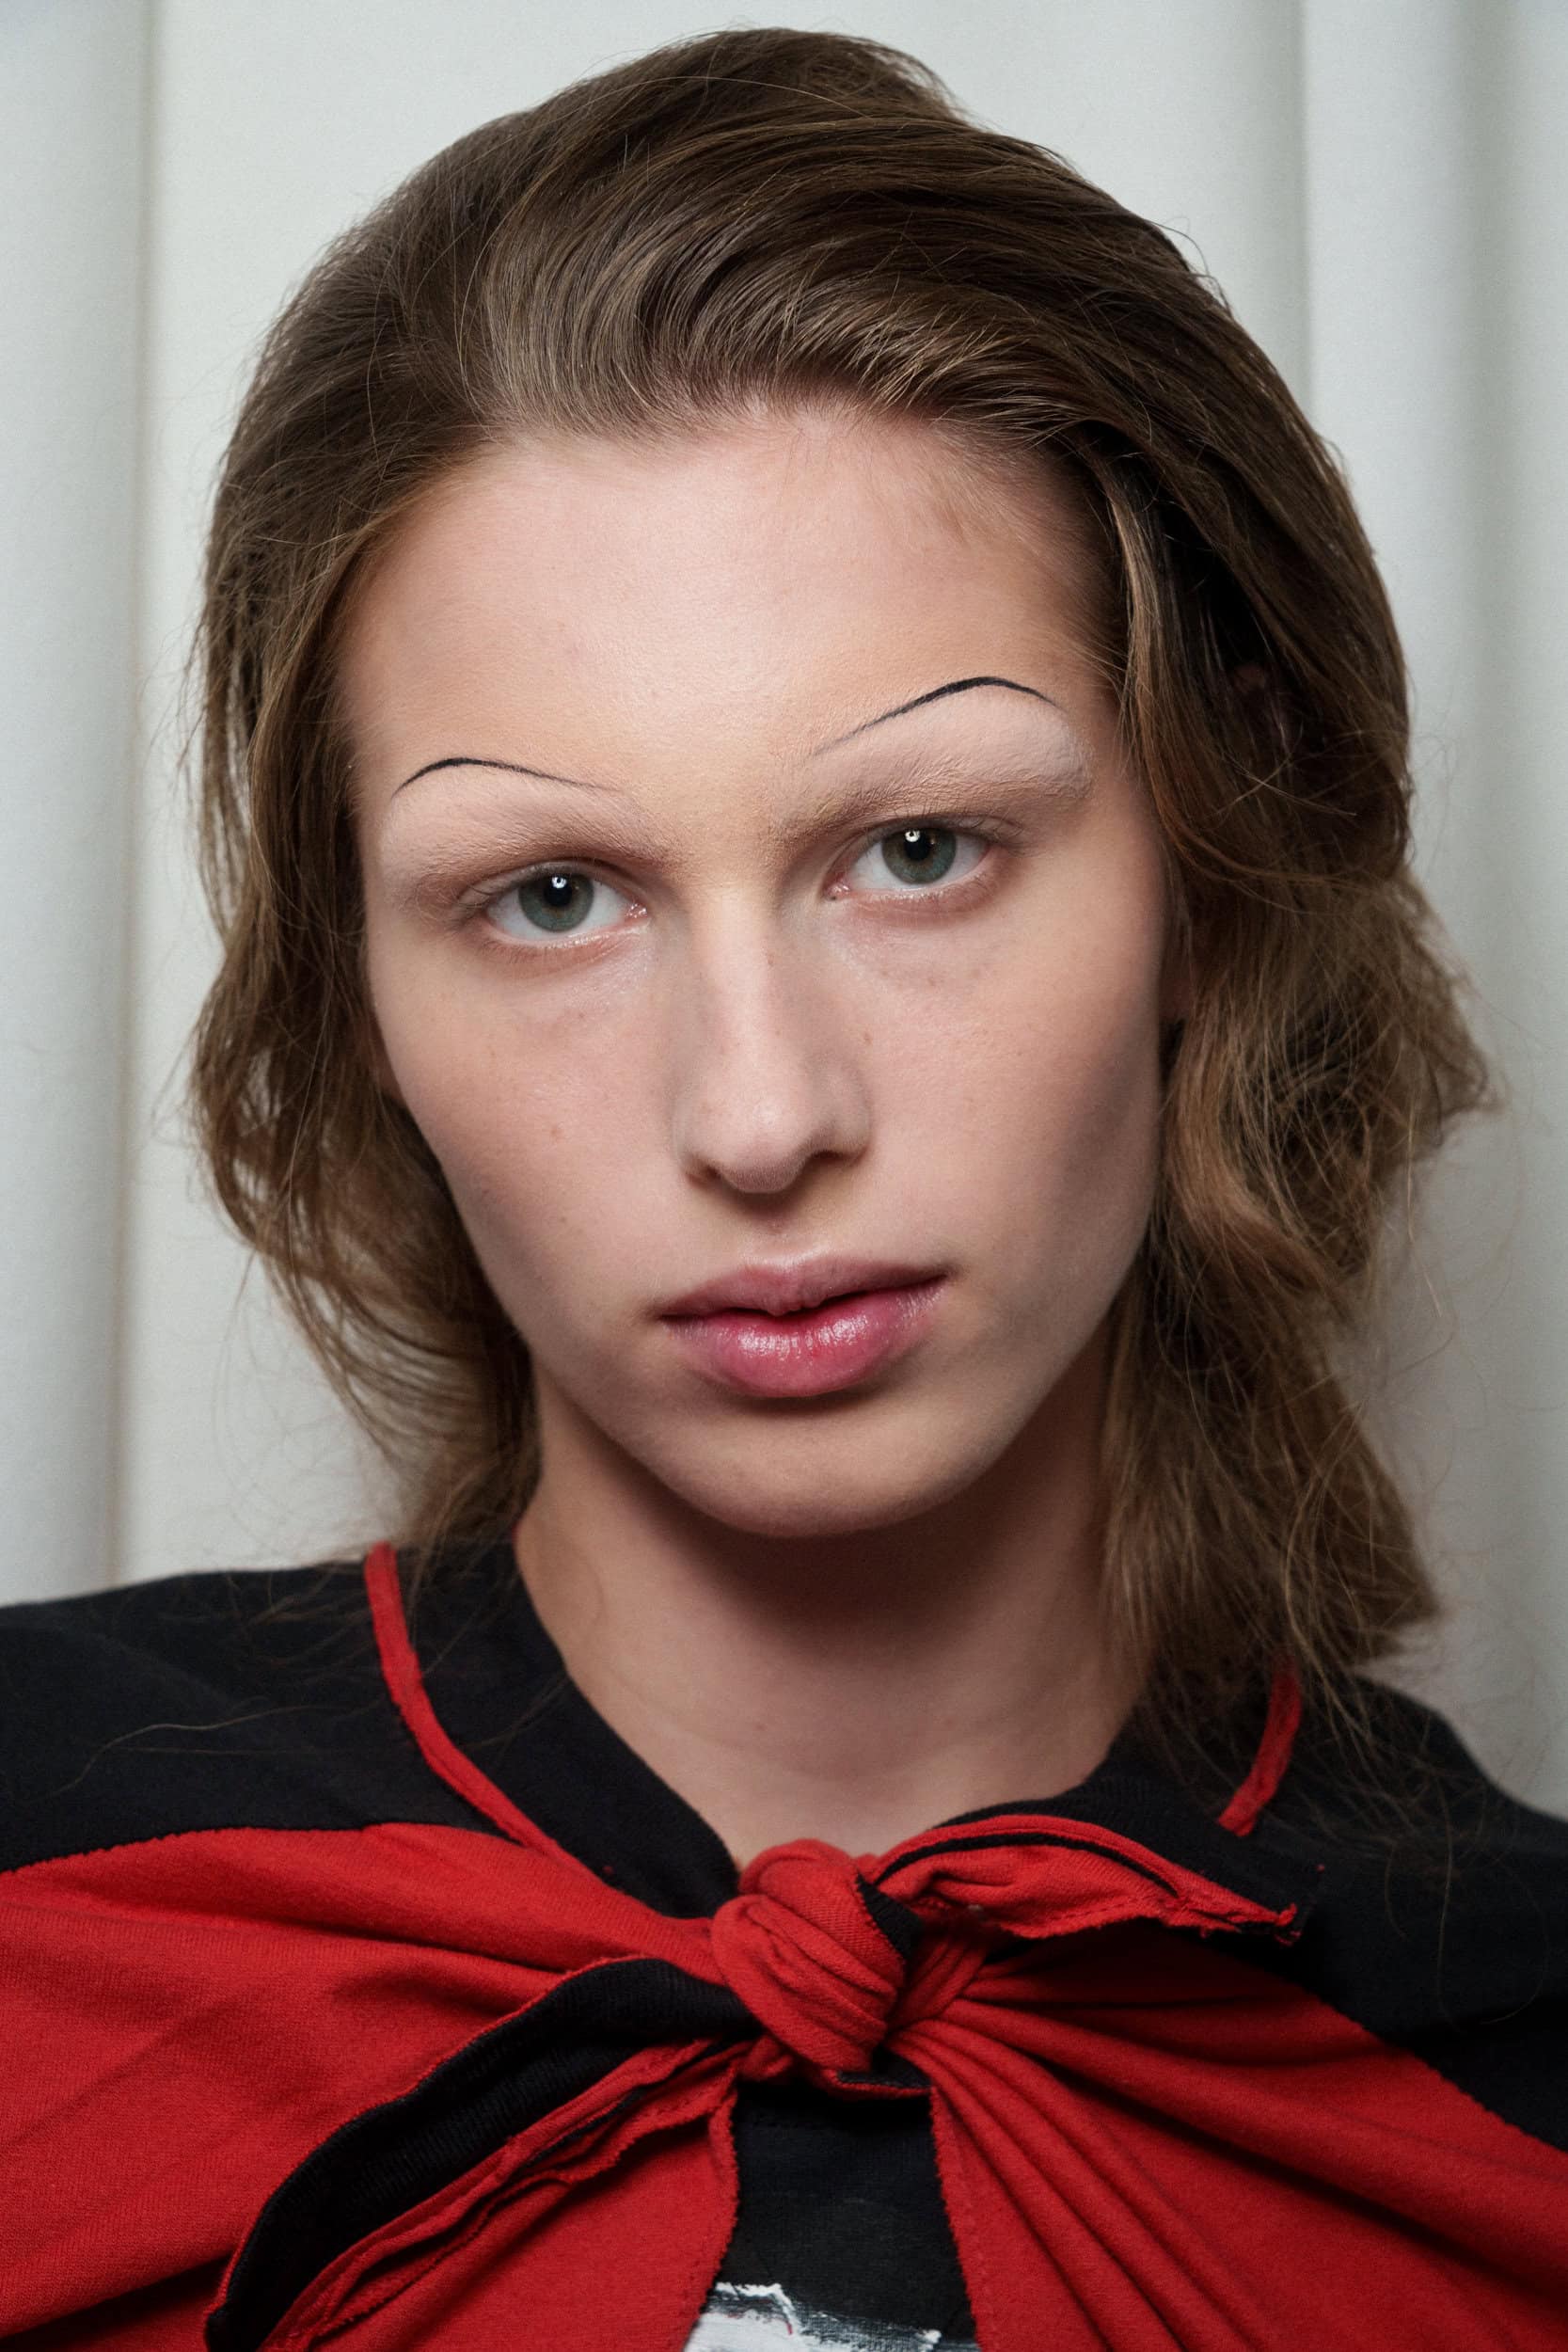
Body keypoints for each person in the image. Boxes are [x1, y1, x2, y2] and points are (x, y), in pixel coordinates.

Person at [4, 24, 1566, 2350]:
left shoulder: (1518, 2074)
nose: (757, 1114)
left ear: (1215, 872)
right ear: (358, 994)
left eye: (920, 849)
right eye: (550, 895)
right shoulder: (43, 1884)